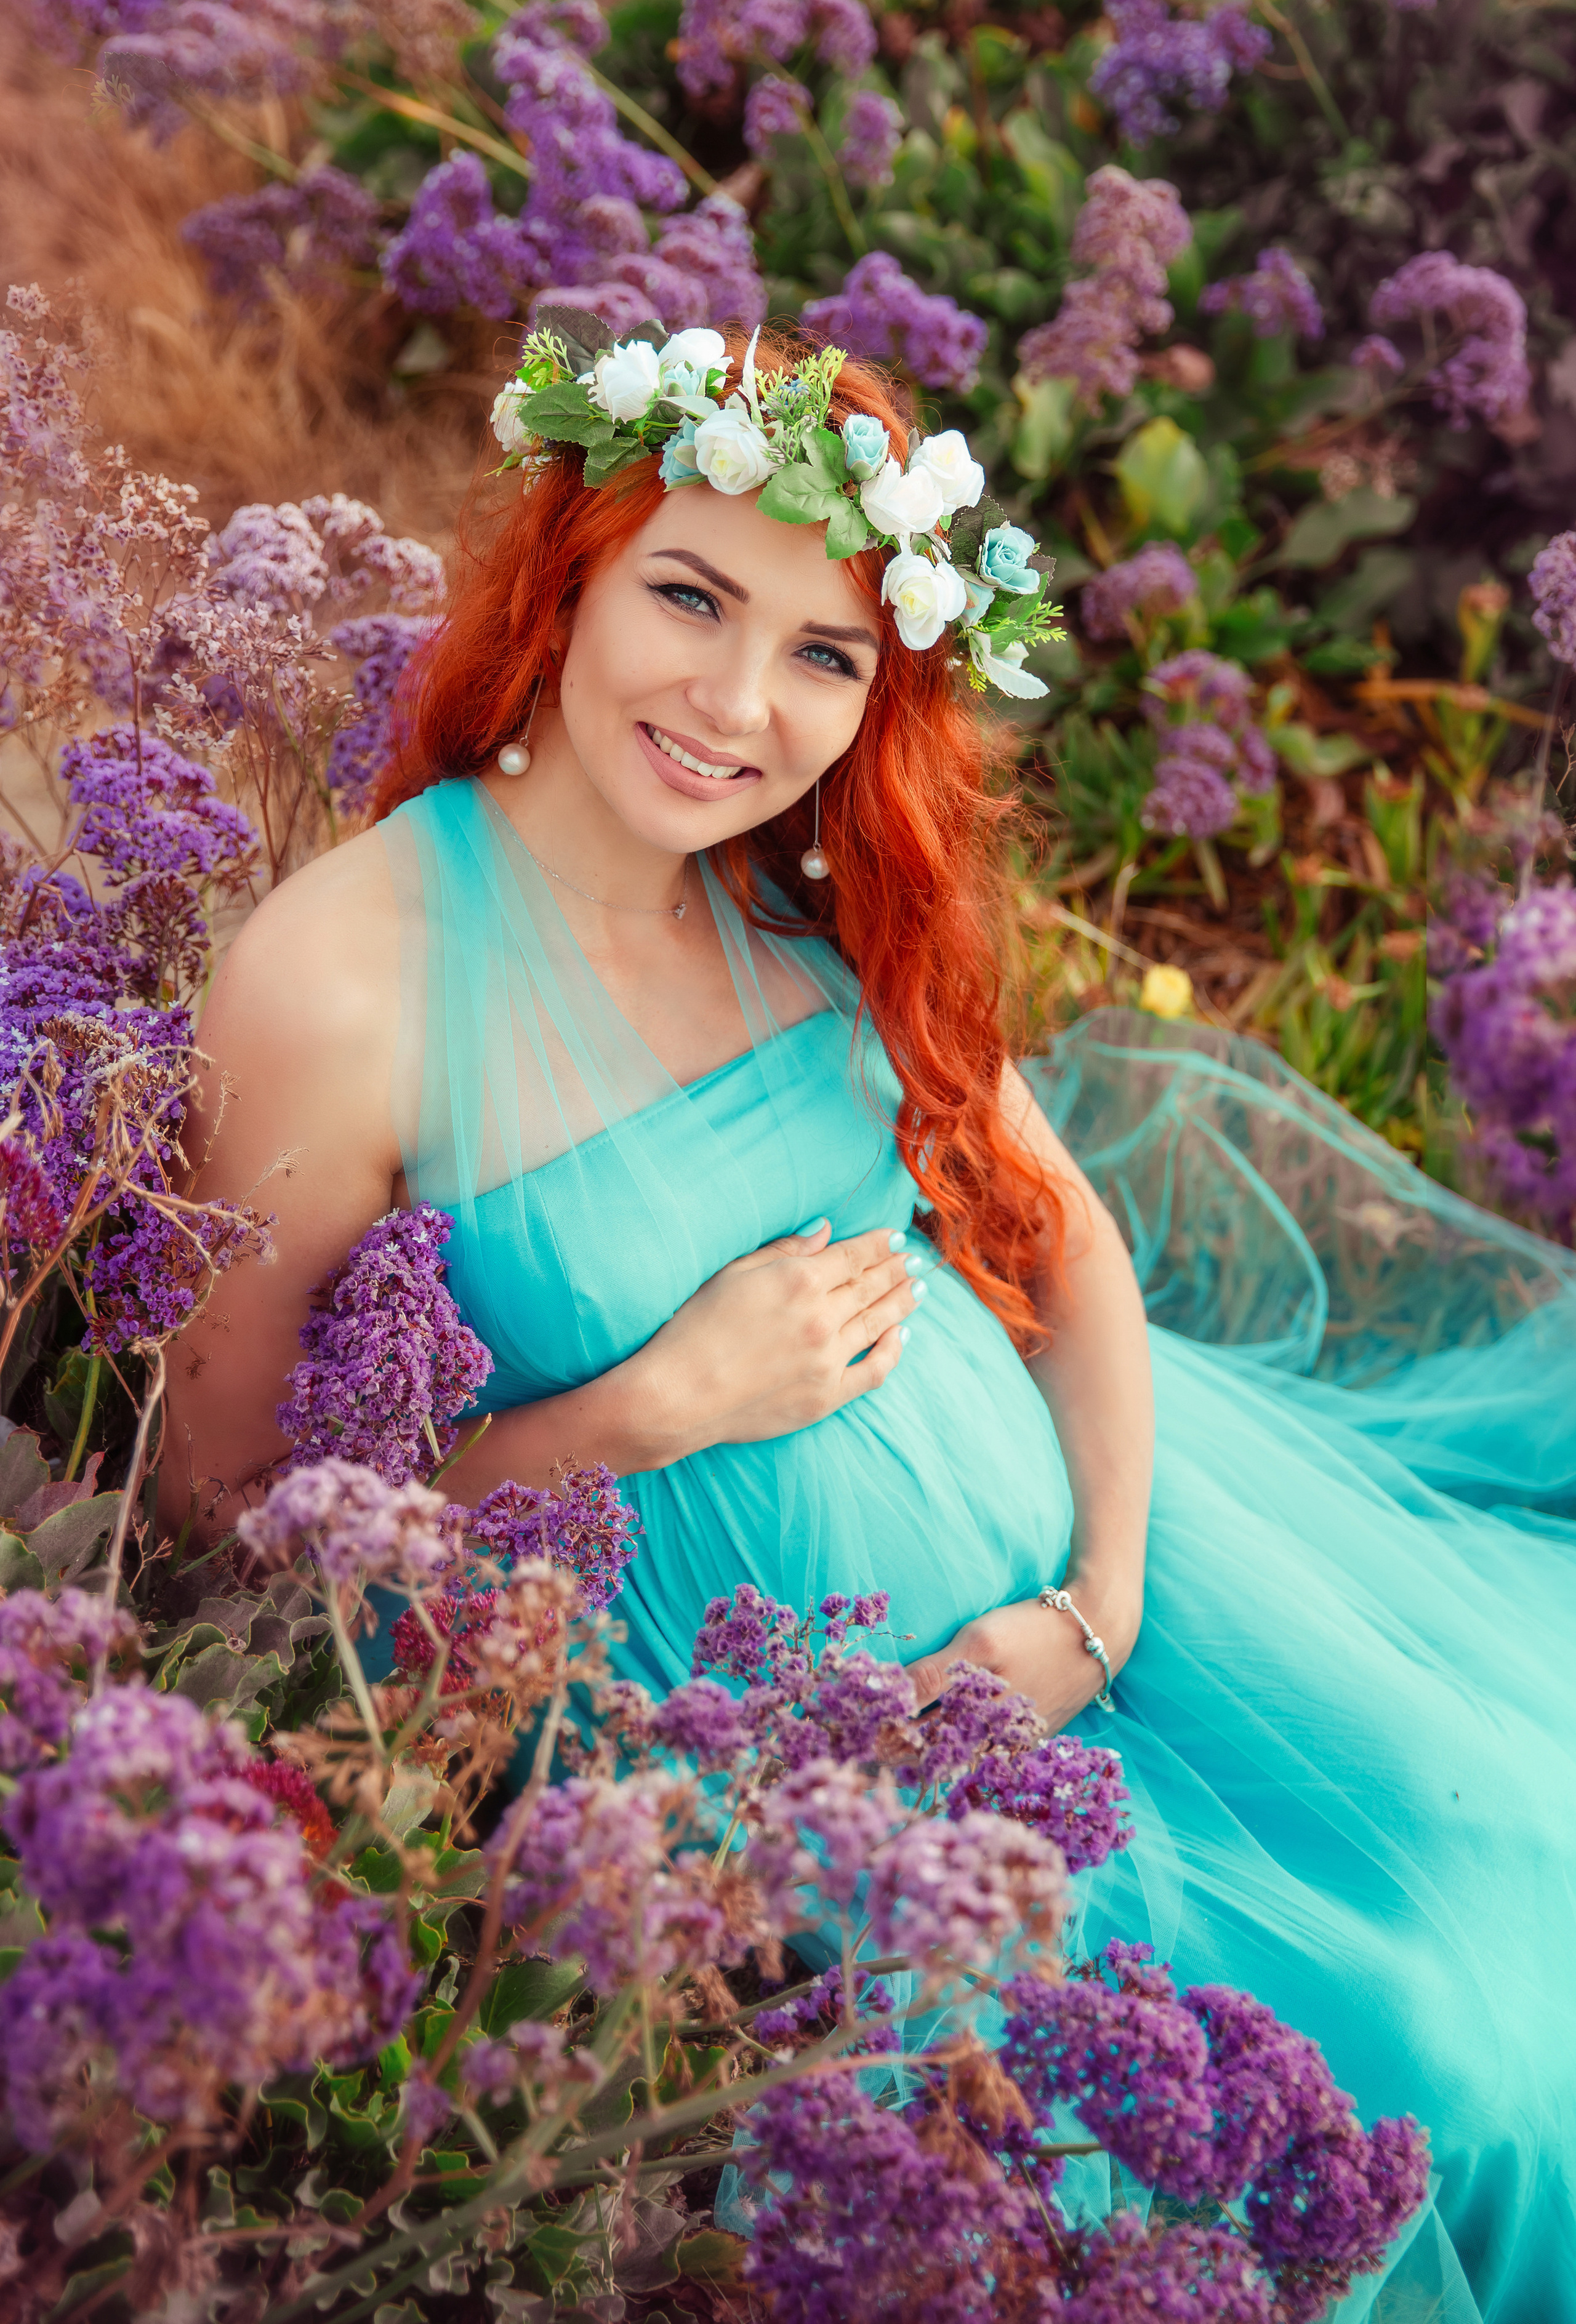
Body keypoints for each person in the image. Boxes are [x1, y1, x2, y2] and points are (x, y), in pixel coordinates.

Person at [164, 322, 1576, 2321]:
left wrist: (1098, 1600)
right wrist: (645, 1411)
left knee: (1517, 1915)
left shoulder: (803, 887)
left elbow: (1066, 1235)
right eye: (690, 598)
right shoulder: (346, 986)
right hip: (795, 1785)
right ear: (568, 575)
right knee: (1361, 2117)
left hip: (1100, 1610)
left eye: (825, 653)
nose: (739, 705)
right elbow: (220, 1510)